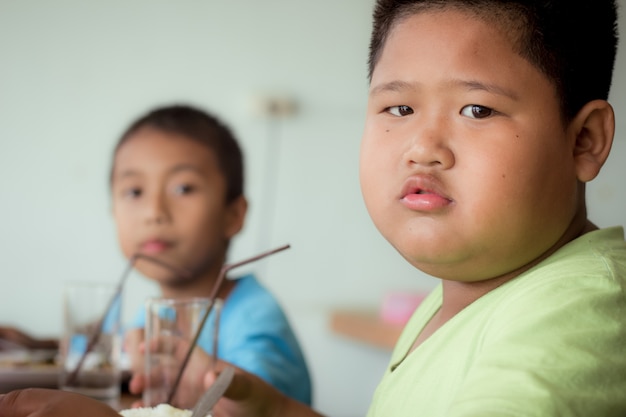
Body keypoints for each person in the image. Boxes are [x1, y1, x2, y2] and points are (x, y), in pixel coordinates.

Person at [1, 0, 625, 416]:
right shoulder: (462, 297)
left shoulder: (582, 321)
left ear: (584, 140)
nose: (422, 148)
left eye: (476, 109)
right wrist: (275, 411)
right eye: (398, 108)